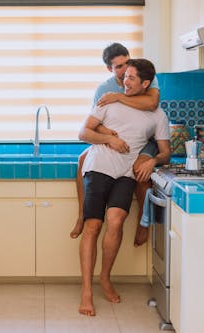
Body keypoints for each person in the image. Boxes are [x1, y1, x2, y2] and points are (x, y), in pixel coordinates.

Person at [78, 58, 171, 316]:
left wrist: (152, 160)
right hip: (100, 166)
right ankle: (87, 290)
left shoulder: (157, 114)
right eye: (124, 76)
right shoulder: (108, 102)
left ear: (146, 83)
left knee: (116, 220)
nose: (125, 81)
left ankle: (105, 278)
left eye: (131, 78)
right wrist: (109, 139)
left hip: (126, 172)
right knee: (93, 225)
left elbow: (166, 152)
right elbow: (83, 133)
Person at [70, 43, 161, 247]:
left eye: (127, 62)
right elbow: (94, 123)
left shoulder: (145, 78)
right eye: (118, 66)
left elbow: (152, 103)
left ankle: (143, 223)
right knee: (82, 159)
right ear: (109, 69)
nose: (124, 69)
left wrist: (118, 97)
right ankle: (82, 215)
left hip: (145, 140)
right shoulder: (103, 88)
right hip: (119, 140)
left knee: (140, 170)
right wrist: (110, 136)